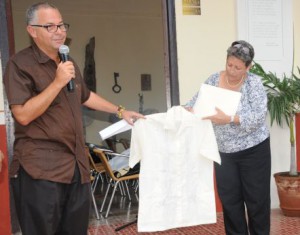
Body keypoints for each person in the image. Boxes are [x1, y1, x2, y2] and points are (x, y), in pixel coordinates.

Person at [3, 2, 143, 235]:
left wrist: (120, 111)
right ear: (32, 31)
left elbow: (85, 96)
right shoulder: (20, 64)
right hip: (41, 170)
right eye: (50, 26)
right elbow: (23, 115)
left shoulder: (67, 62)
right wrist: (57, 82)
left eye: (61, 25)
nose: (59, 31)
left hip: (76, 168)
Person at [185, 40, 271, 235]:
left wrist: (230, 119)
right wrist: (184, 110)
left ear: (248, 67)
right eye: (229, 65)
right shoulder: (213, 80)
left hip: (254, 151)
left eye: (238, 67)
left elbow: (258, 117)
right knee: (230, 202)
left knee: (257, 202)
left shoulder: (254, 83)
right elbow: (194, 103)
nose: (232, 70)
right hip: (224, 152)